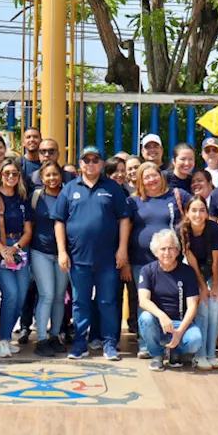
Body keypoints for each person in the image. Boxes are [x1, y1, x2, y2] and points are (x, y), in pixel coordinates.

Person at [55, 146, 131, 360]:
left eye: (95, 160)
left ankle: (109, 344)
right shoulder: (69, 189)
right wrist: (62, 251)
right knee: (80, 303)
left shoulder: (113, 188)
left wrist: (122, 249)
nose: (90, 164)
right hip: (78, 259)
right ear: (80, 164)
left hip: (108, 260)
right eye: (86, 160)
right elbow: (59, 221)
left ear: (101, 163)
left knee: (107, 302)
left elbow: (124, 219)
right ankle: (80, 345)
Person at [128, 162, 191, 357]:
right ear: (140, 180)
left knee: (173, 300)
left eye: (154, 175)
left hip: (171, 260)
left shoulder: (177, 195)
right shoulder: (133, 200)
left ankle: (173, 339)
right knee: (144, 302)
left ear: (161, 176)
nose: (151, 180)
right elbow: (126, 227)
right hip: (142, 259)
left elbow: (198, 210)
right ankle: (146, 344)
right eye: (146, 177)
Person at [0, 157, 34, 357]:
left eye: (15, 173)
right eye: (7, 173)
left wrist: (17, 247)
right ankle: (1, 338)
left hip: (19, 249)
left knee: (20, 296)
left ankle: (5, 336)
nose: (11, 176)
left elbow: (29, 229)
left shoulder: (22, 198)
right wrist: (3, 249)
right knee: (10, 293)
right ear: (0, 175)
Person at [137, 229, 206, 370]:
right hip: (159, 323)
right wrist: (161, 315)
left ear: (177, 251)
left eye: (171, 248)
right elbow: (143, 300)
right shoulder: (147, 270)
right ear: (155, 251)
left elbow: (192, 306)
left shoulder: (187, 272)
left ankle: (176, 352)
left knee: (195, 340)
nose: (167, 253)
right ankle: (157, 355)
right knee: (145, 318)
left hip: (180, 323)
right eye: (163, 249)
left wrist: (179, 331)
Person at [30, 162, 70, 357]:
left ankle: (54, 336)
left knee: (59, 297)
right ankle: (41, 338)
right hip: (40, 251)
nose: (52, 178)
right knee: (46, 294)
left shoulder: (67, 195)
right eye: (48, 175)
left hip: (63, 253)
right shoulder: (37, 197)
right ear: (42, 178)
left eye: (55, 174)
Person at [182, 196, 218, 370]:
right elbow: (191, 261)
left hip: (213, 268)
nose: (198, 214)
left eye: (202, 210)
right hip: (192, 270)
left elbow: (215, 261)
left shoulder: (214, 229)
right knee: (203, 306)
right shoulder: (183, 230)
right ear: (187, 212)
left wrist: (214, 286)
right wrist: (201, 287)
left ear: (207, 213)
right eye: (193, 210)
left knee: (215, 304)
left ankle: (211, 353)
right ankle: (199, 355)